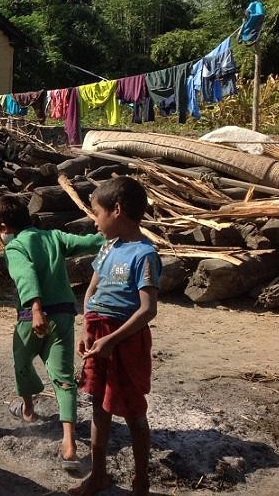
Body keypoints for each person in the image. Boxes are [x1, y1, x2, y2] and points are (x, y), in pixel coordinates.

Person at [0, 195, 105, 470]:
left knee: (21, 362)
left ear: (3, 226)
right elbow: (86, 243)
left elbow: (25, 275)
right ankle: (69, 443)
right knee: (64, 378)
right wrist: (107, 236)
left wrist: (36, 309)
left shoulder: (16, 247)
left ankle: (28, 409)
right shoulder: (53, 236)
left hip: (32, 317)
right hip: (63, 316)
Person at [71, 177, 161, 496]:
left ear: (117, 210)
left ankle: (141, 482)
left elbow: (147, 310)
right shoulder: (108, 248)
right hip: (98, 333)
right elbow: (91, 292)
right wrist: (87, 328)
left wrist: (111, 340)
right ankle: (98, 475)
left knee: (134, 410)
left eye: (97, 213)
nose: (95, 222)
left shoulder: (144, 254)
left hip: (125, 339)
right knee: (99, 404)